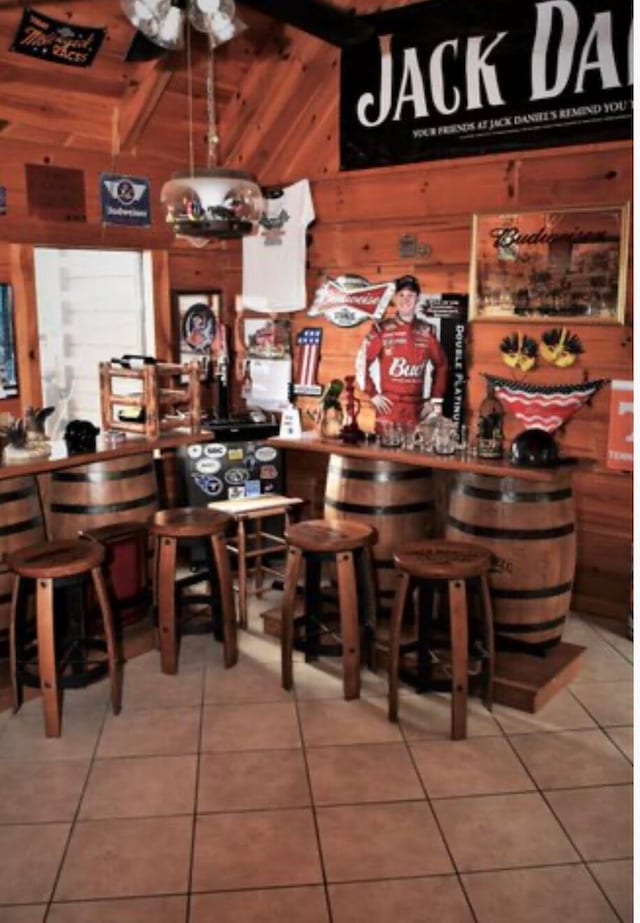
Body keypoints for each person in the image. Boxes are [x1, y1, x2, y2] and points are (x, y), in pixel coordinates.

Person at [356, 274, 449, 433]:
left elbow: (442, 365)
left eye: (411, 295)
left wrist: (434, 401)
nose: (406, 299)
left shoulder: (427, 331)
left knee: (413, 455)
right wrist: (372, 394)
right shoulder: (381, 330)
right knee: (384, 456)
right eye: (401, 295)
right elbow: (361, 361)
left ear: (418, 298)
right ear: (394, 298)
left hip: (417, 409)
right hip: (389, 409)